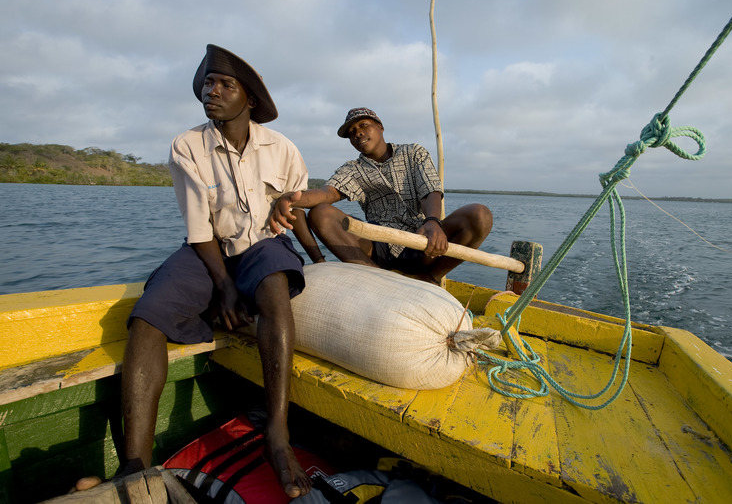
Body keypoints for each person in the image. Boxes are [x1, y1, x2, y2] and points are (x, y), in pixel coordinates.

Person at [77, 45, 312, 498]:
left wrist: (318, 260)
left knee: (275, 289)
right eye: (208, 84)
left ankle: (278, 436)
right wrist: (223, 286)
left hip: (263, 244)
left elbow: (294, 210)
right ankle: (134, 465)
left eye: (226, 85)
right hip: (208, 249)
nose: (212, 91)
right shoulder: (187, 145)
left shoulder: (282, 149)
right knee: (148, 316)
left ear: (251, 100)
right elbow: (199, 228)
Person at [269, 107, 493, 284]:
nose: (357, 133)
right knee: (321, 213)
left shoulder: (413, 153)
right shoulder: (353, 169)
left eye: (363, 125)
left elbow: (429, 189)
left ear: (380, 127)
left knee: (479, 215)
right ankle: (377, 279)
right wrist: (291, 198)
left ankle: (430, 278)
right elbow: (327, 193)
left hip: (422, 242)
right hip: (379, 247)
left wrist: (432, 221)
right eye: (351, 133)